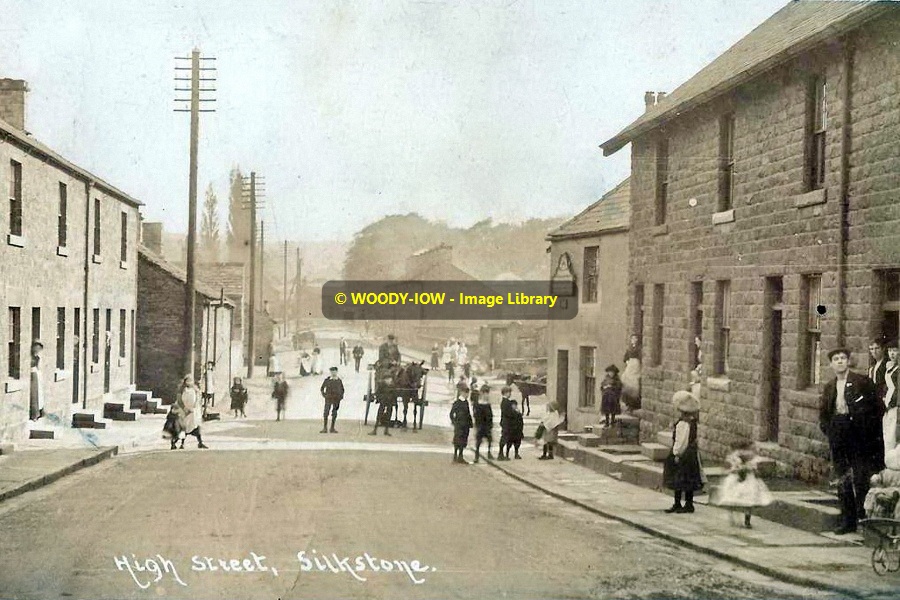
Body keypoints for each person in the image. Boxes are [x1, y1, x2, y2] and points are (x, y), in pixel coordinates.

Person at [819, 347, 885, 534]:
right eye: (836, 359)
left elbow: (877, 407)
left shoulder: (861, 382)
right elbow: (824, 414)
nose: (840, 361)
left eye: (843, 358)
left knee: (861, 477)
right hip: (838, 434)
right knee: (842, 478)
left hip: (859, 436)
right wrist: (830, 430)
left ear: (848, 361)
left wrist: (868, 430)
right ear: (831, 364)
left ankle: (863, 518)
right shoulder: (830, 387)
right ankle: (848, 521)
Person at [711, 440, 773, 528]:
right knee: (733, 498)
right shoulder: (734, 457)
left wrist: (751, 470)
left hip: (749, 480)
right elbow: (727, 468)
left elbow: (756, 470)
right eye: (751, 448)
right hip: (736, 479)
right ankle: (733, 517)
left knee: (749, 499)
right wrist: (737, 469)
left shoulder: (752, 458)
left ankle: (747, 520)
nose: (752, 450)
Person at [662, 391, 703, 513]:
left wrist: (676, 454)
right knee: (687, 479)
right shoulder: (692, 421)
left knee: (679, 479)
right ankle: (687, 504)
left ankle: (679, 503)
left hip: (683, 454)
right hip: (691, 453)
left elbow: (681, 440)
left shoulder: (683, 423)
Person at [174, 375, 208, 449]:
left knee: (196, 426)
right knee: (184, 428)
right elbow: (179, 401)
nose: (189, 382)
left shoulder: (195, 390)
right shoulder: (182, 390)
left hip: (193, 412)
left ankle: (200, 442)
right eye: (187, 381)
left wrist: (194, 407)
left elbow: (198, 399)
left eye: (190, 381)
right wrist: (184, 408)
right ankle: (179, 443)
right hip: (184, 411)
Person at [450, 384, 473, 464]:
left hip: (465, 425)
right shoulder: (457, 402)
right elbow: (451, 413)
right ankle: (456, 455)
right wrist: (454, 421)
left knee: (463, 440)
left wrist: (470, 423)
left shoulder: (466, 402)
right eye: (466, 393)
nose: (467, 395)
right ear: (462, 393)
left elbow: (468, 413)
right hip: (459, 425)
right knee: (458, 439)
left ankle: (460, 456)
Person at [883, 341, 899, 455]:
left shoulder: (898, 369)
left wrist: (892, 403)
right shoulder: (889, 366)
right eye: (890, 351)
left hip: (893, 404)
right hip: (887, 401)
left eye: (895, 350)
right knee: (886, 431)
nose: (892, 353)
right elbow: (887, 385)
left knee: (892, 434)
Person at [473, 383, 494, 463]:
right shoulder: (478, 404)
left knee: (489, 439)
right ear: (481, 393)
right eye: (485, 393)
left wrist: (490, 424)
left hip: (487, 426)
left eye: (487, 393)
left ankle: (489, 453)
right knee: (478, 441)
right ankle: (476, 456)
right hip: (481, 426)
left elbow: (490, 415)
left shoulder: (488, 404)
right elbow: (476, 416)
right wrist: (478, 425)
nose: (486, 395)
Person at [320, 367, 344, 434]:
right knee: (326, 412)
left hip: (336, 399)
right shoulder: (327, 380)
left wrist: (341, 396)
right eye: (332, 372)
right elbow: (322, 388)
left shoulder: (339, 380)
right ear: (330, 372)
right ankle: (325, 428)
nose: (333, 373)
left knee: (334, 413)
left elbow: (342, 389)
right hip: (328, 398)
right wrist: (324, 395)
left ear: (337, 372)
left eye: (335, 371)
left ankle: (332, 428)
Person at [29, 340, 45, 421]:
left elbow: (38, 368)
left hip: (35, 375)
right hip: (31, 374)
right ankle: (34, 414)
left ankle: (37, 413)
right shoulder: (29, 357)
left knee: (37, 394)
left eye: (39, 349)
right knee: (33, 395)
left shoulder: (37, 358)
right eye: (36, 348)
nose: (37, 350)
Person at [498, 386, 514, 461]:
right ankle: (500, 454)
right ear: (506, 393)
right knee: (504, 437)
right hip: (506, 422)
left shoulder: (505, 401)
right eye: (509, 392)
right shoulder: (506, 402)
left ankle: (501, 454)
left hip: (505, 422)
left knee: (505, 437)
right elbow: (508, 413)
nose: (510, 394)